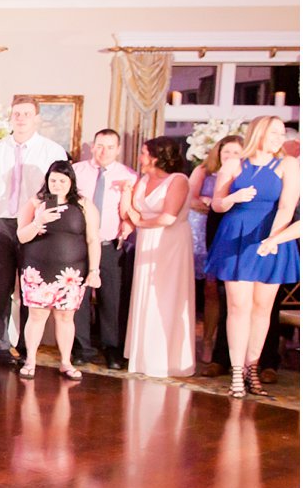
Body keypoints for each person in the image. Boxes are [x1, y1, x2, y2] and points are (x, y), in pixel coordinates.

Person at [205, 115, 299, 398]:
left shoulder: (288, 164)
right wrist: (234, 198)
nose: (279, 138)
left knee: (262, 309)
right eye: (274, 132)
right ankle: (236, 372)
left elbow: (287, 206)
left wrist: (272, 239)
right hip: (237, 237)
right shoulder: (234, 164)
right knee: (238, 307)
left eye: (281, 133)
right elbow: (217, 204)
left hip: (272, 235)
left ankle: (252, 367)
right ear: (258, 133)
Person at [0, 97, 68, 368]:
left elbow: (56, 192)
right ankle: (2, 347)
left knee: (31, 289)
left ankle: (27, 347)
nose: (21, 118)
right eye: (17, 113)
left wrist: (47, 226)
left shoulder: (52, 150)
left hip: (35, 224)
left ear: (36, 117)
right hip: (1, 224)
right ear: (11, 117)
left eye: (27, 113)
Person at [15, 161, 99, 380]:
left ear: (71, 182)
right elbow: (21, 236)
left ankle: (65, 362)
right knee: (36, 316)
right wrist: (38, 222)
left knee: (65, 317)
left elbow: (93, 239)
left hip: (70, 273)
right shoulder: (36, 203)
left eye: (62, 180)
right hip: (38, 270)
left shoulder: (83, 204)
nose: (57, 185)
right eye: (53, 180)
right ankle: (30, 360)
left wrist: (94, 270)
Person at [121, 136, 195, 379]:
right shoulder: (143, 179)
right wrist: (126, 195)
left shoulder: (178, 180)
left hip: (170, 243)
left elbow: (168, 218)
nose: (140, 157)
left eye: (143, 153)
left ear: (156, 156)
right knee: (146, 296)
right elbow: (130, 211)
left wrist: (140, 222)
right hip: (146, 241)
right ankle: (143, 356)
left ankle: (166, 359)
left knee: (166, 296)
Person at [70, 129, 137, 369]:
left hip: (110, 245)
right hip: (78, 244)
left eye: (110, 147)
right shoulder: (77, 171)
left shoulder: (128, 175)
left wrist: (128, 224)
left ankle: (112, 348)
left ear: (118, 149)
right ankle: (81, 347)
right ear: (92, 146)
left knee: (112, 298)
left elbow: (134, 210)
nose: (104, 151)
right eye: (99, 145)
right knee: (79, 298)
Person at [188, 133, 244, 370]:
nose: (230, 157)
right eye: (226, 152)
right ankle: (207, 340)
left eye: (235, 153)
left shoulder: (245, 174)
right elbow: (189, 199)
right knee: (208, 289)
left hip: (230, 230)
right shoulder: (204, 170)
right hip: (203, 230)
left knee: (224, 291)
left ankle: (226, 344)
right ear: (218, 153)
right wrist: (207, 203)